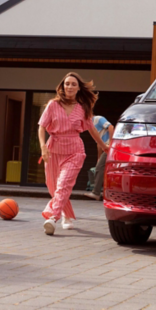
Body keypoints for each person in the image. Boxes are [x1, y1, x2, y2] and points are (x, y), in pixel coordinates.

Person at [39, 72, 107, 235]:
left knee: (63, 185)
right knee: (53, 187)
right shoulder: (53, 105)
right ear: (62, 87)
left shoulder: (83, 108)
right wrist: (43, 147)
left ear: (78, 88)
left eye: (73, 84)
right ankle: (67, 215)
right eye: (67, 83)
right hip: (53, 151)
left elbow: (92, 129)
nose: (69, 86)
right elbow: (41, 126)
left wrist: (104, 146)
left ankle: (53, 218)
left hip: (74, 152)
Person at [84, 115, 114, 201]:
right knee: (103, 168)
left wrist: (111, 143)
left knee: (99, 168)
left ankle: (96, 193)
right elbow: (99, 143)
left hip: (109, 147)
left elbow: (111, 127)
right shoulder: (90, 126)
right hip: (106, 148)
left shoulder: (98, 119)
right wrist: (99, 157)